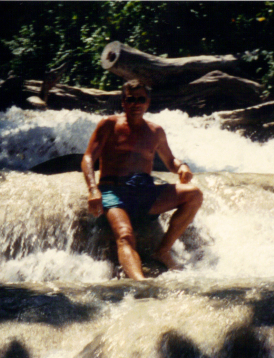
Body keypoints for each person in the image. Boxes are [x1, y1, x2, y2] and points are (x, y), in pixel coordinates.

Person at [81, 80, 203, 280]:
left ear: (147, 103)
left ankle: (162, 251)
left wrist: (182, 166)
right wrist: (93, 189)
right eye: (130, 99)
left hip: (145, 193)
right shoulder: (109, 125)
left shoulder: (155, 131)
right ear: (123, 102)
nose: (135, 104)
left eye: (140, 99)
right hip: (114, 191)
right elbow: (88, 158)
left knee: (194, 194)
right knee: (125, 235)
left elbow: (170, 160)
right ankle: (140, 283)